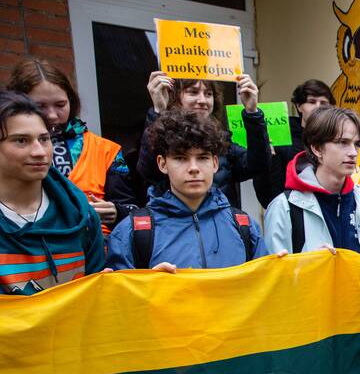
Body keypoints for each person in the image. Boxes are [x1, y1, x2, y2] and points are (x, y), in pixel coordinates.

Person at [106, 109, 268, 270]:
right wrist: (147, 285)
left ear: (215, 163)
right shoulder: (133, 232)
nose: (193, 168)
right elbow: (118, 294)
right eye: (180, 158)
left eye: (203, 157)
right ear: (162, 164)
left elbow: (264, 287)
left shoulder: (245, 227)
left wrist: (279, 271)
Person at [8, 58, 138, 231]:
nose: (52, 115)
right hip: (30, 245)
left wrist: (117, 212)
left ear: (71, 100)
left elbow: (134, 210)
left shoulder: (107, 150)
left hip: (97, 248)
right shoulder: (6, 149)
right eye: (40, 106)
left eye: (60, 104)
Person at [0, 92, 104, 294]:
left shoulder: (81, 214)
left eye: (44, 139)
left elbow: (98, 297)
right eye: (21, 140)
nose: (39, 151)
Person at [262, 107, 360, 257]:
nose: (353, 152)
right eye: (343, 142)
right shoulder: (284, 207)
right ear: (317, 148)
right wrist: (310, 267)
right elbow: (276, 276)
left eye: (357, 144)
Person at [139, 72, 270, 208]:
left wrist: (252, 112)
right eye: (193, 92)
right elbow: (148, 170)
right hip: (175, 225)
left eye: (208, 94)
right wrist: (159, 111)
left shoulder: (222, 140)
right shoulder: (164, 135)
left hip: (220, 224)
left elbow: (257, 164)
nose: (202, 100)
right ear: (175, 97)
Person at [254, 78, 335, 206]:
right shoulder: (282, 138)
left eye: (324, 103)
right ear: (299, 106)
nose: (318, 107)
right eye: (312, 102)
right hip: (291, 214)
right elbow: (268, 193)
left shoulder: (335, 139)